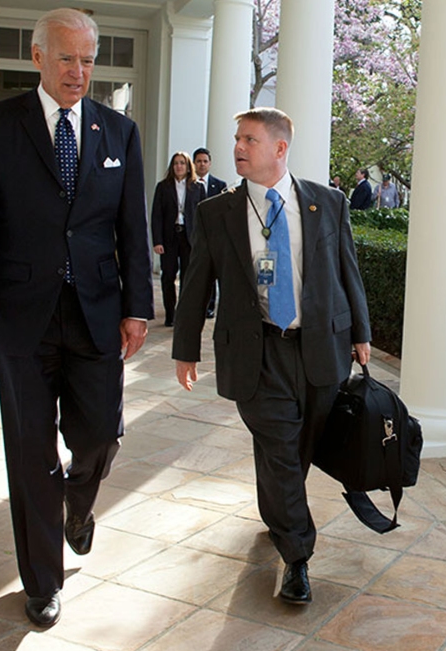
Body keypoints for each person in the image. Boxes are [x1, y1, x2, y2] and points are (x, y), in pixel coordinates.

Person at [0, 8, 153, 628]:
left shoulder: (120, 131)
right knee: (30, 452)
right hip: (19, 317)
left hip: (97, 312)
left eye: (88, 60)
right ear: (38, 57)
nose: (79, 72)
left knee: (101, 435)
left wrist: (139, 305)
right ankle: (42, 581)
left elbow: (130, 229)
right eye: (66, 59)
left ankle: (79, 507)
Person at [172, 107, 371, 606]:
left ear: (280, 149)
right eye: (237, 138)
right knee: (280, 447)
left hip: (321, 347)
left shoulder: (327, 203)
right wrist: (185, 347)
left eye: (250, 139)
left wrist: (362, 333)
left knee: (298, 447)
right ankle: (298, 556)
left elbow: (348, 271)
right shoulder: (215, 212)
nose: (237, 147)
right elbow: (196, 284)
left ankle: (277, 513)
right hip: (257, 351)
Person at [151, 152, 204, 327]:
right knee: (168, 275)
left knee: (188, 278)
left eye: (182, 163)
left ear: (188, 166)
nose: (179, 166)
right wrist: (157, 241)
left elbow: (203, 216)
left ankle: (183, 313)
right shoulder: (163, 187)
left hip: (189, 237)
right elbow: (156, 216)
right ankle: (170, 314)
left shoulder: (197, 187)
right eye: (176, 163)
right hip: (170, 236)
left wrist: (202, 240)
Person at [193, 147, 227, 318]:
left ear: (210, 163)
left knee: (212, 273)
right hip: (192, 235)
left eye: (205, 161)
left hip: (214, 235)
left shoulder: (219, 185)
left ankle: (210, 306)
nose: (202, 164)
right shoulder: (189, 185)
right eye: (199, 161)